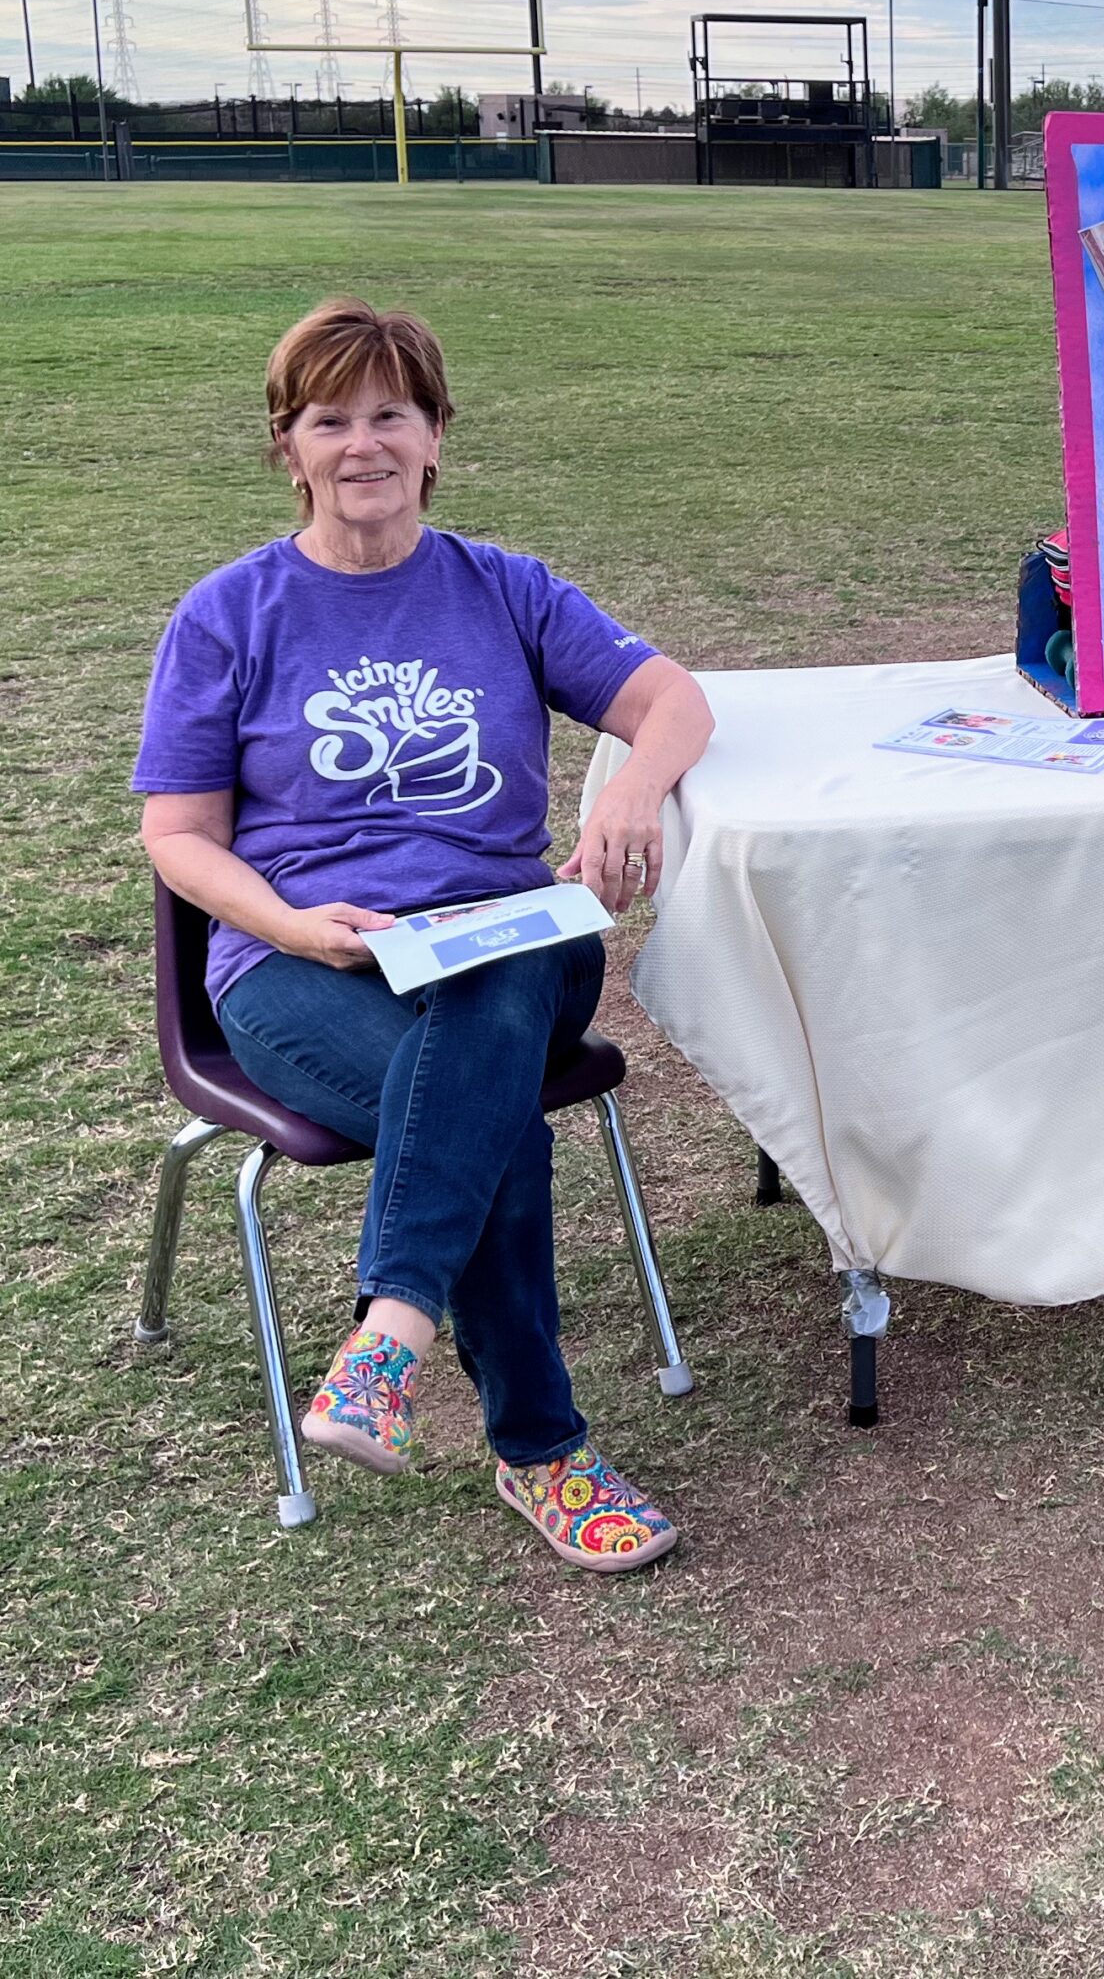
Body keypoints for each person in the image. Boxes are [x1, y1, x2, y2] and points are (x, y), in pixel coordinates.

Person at [134, 298, 713, 1573]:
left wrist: (625, 784)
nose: (363, 444)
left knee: (498, 991)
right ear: (287, 447)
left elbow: (670, 697)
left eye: (390, 413)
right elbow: (177, 837)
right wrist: (294, 921)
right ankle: (543, 1451)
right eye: (327, 419)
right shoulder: (227, 615)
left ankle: (390, 1326)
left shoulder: (500, 587)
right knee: (475, 1099)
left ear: (437, 435)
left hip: (508, 935)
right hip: (300, 963)